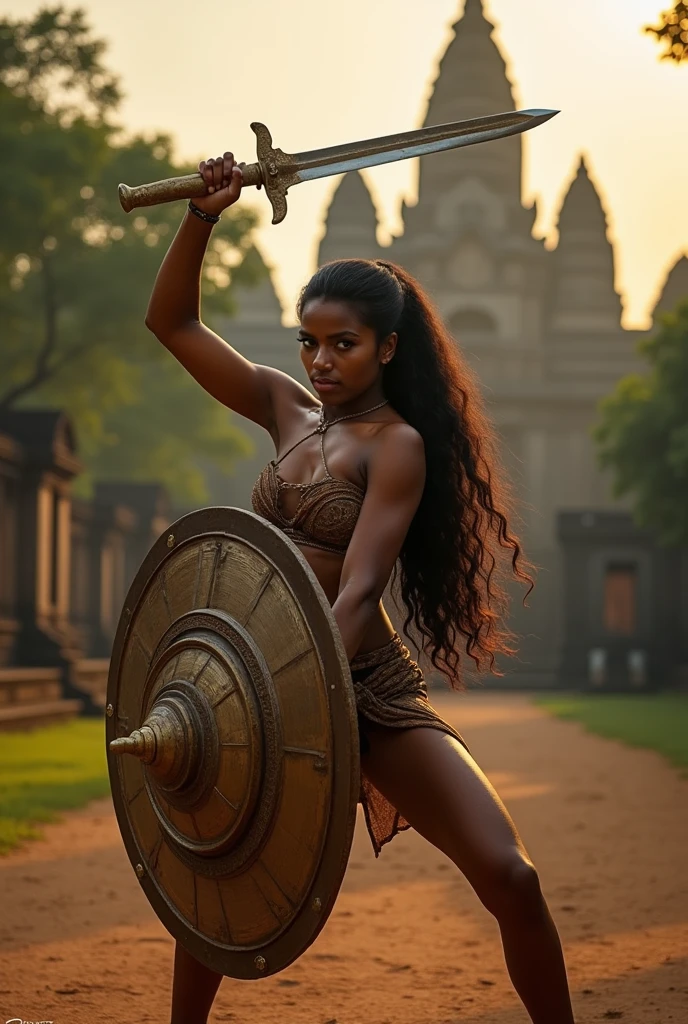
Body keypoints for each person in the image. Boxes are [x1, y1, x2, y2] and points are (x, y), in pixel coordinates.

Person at [145, 152, 576, 1024]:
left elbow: (359, 587)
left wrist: (287, 692)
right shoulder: (283, 410)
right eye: (309, 340)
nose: (321, 360)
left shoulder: (398, 446)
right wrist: (202, 215)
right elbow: (173, 324)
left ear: (386, 346)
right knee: (211, 884)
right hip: (258, 682)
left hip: (365, 687)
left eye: (343, 343)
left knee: (513, 877)